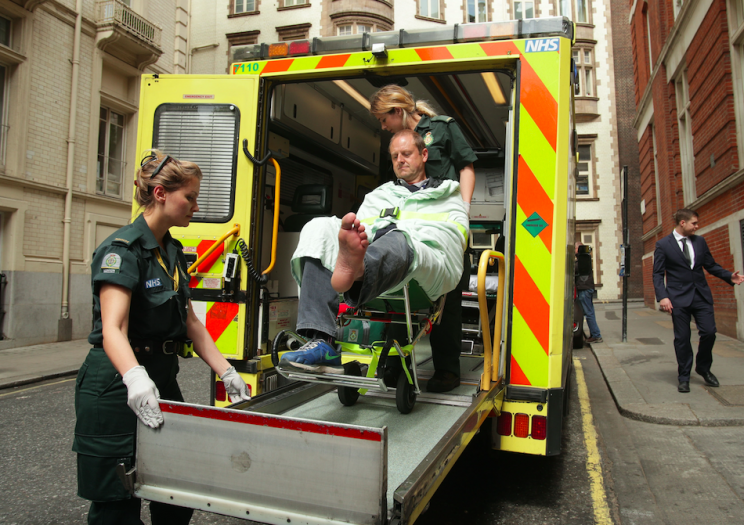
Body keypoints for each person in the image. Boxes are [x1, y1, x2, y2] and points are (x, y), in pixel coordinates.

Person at [73, 151, 251, 525]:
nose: (195, 206)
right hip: (116, 385)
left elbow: (191, 323)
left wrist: (226, 371)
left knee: (177, 492)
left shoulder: (173, 252)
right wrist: (135, 378)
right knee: (116, 504)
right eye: (189, 197)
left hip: (162, 379)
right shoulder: (122, 250)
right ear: (159, 193)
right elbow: (113, 328)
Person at [280, 129, 468, 375]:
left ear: (423, 155)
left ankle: (356, 269)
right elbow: (359, 228)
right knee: (318, 228)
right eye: (394, 156)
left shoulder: (448, 194)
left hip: (416, 253)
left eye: (406, 153)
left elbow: (454, 236)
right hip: (373, 257)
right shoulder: (379, 195)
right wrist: (359, 239)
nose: (400, 160)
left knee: (401, 239)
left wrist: (408, 234)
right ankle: (322, 341)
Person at [369, 84, 478, 392]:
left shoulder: (442, 128)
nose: (382, 126)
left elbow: (466, 168)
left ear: (397, 111)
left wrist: (463, 212)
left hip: (444, 224)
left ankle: (446, 370)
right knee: (397, 293)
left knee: (447, 301)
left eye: (383, 119)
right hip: (412, 225)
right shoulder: (399, 145)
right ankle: (396, 361)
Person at [652, 209, 744, 393]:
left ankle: (703, 367)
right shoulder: (663, 245)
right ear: (682, 223)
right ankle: (684, 376)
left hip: (701, 296)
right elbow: (657, 273)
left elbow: (710, 265)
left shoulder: (700, 241)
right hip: (678, 298)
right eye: (694, 223)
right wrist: (663, 296)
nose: (697, 226)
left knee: (709, 332)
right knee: (682, 339)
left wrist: (728, 276)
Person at [575, 242, 602, 343]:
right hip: (586, 288)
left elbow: (576, 269)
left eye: (575, 248)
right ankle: (594, 334)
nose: (574, 251)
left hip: (584, 288)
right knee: (589, 312)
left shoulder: (583, 259)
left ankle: (596, 335)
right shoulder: (584, 258)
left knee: (589, 313)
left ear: (579, 249)